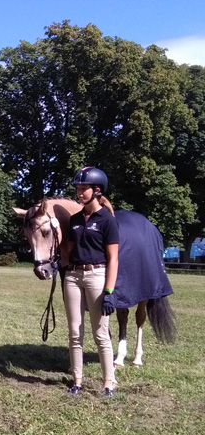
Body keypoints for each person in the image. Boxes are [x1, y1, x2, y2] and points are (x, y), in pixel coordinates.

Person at [66, 167, 119, 397]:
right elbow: (68, 249)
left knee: (100, 332)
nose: (79, 193)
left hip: (97, 275)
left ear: (97, 190)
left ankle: (108, 381)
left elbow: (113, 258)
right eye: (77, 188)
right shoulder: (74, 219)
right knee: (75, 332)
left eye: (83, 189)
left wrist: (109, 290)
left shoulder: (107, 221)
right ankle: (77, 379)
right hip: (73, 276)